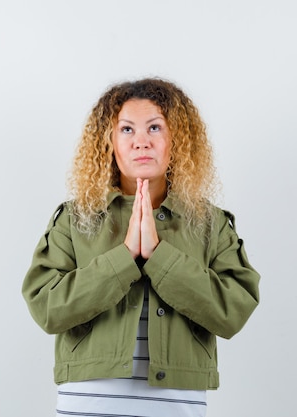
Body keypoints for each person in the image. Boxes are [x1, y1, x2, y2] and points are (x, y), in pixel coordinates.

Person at [22, 78, 260, 417]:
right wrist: (125, 257)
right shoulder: (75, 219)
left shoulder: (211, 223)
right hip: (88, 402)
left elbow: (233, 311)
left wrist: (158, 255)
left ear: (176, 140)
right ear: (109, 143)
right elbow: (46, 307)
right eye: (127, 130)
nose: (141, 142)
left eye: (155, 127)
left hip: (178, 406)